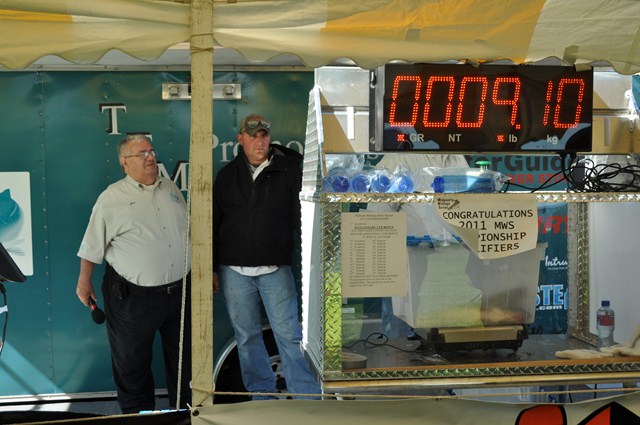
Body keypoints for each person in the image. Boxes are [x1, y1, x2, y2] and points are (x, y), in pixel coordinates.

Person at [76, 134, 191, 413]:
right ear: (125, 163)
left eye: (151, 152)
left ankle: (185, 416)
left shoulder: (171, 189)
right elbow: (92, 245)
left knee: (185, 363)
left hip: (180, 294)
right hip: (133, 298)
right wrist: (84, 281)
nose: (150, 157)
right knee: (132, 364)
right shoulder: (111, 198)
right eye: (142, 154)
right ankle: (139, 419)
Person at [212, 113, 321, 400]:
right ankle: (261, 397)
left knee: (290, 336)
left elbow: (302, 216)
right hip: (234, 272)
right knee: (247, 338)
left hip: (276, 269)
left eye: (264, 135)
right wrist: (212, 269)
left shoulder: (289, 170)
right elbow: (214, 223)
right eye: (253, 136)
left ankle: (307, 399)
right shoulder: (226, 176)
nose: (259, 141)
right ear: (241, 139)